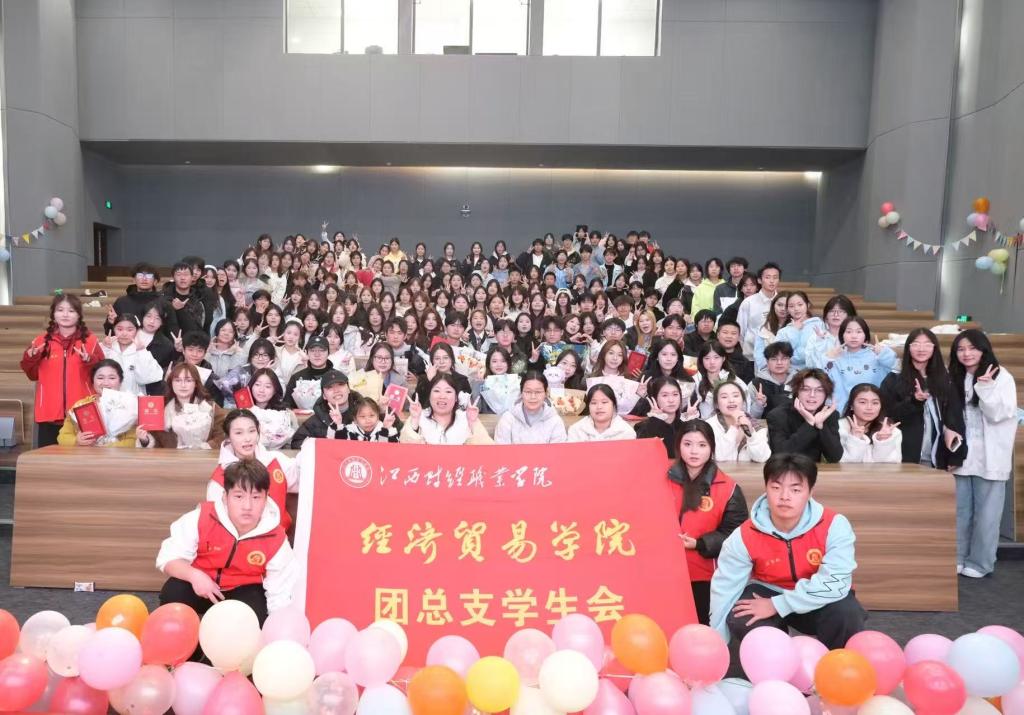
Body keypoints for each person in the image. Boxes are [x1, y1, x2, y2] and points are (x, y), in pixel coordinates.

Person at [710, 453, 865, 649]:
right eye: (776, 488)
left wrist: (779, 604)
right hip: (769, 592)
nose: (784, 496)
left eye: (795, 489)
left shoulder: (835, 525)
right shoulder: (743, 535)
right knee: (741, 614)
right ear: (766, 488)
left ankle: (836, 661)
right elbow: (724, 588)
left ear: (810, 492)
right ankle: (778, 658)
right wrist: (716, 643)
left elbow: (834, 583)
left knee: (847, 612)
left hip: (817, 599)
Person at [156, 459, 297, 625]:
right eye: (238, 496)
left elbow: (280, 593)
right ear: (225, 497)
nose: (247, 506)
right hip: (201, 585)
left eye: (256, 497)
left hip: (244, 591)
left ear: (266, 499)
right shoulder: (200, 518)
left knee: (257, 619)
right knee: (173, 592)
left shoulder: (276, 538)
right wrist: (195, 576)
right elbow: (168, 559)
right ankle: (187, 639)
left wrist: (277, 629)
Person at [949, 329, 1017, 578]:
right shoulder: (954, 376)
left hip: (991, 456)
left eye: (972, 348)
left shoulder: (1001, 376)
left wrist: (985, 387)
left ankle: (980, 562)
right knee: (959, 512)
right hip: (961, 455)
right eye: (960, 349)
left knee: (987, 515)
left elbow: (999, 414)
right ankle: (956, 556)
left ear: (983, 349)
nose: (966, 354)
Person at [668, 421, 748, 624]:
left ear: (711, 447)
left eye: (702, 445)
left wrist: (700, 544)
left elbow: (736, 536)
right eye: (687, 444)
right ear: (678, 445)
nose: (694, 451)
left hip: (706, 576)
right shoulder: (661, 480)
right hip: (664, 572)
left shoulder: (728, 488)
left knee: (701, 629)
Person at [21, 293, 105, 447]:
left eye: (71, 311)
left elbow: (102, 375)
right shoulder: (40, 341)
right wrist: (31, 358)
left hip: (83, 412)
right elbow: (32, 375)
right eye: (60, 310)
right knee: (49, 458)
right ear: (53, 314)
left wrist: (89, 360)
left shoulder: (91, 341)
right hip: (49, 411)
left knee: (81, 458)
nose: (65, 314)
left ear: (79, 315)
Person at [880, 328, 965, 467]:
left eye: (927, 344)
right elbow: (888, 414)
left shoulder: (945, 379)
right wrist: (914, 401)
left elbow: (955, 417)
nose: (921, 349)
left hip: (936, 456)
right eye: (916, 344)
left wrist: (955, 456)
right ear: (908, 348)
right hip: (902, 456)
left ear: (934, 348)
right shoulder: (894, 378)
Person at [206, 409, 299, 532]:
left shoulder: (275, 461)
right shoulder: (219, 480)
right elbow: (218, 524)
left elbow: (305, 479)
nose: (247, 438)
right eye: (239, 433)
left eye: (252, 431)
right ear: (228, 437)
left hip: (281, 537)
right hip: (242, 540)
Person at [820, 317, 896, 412]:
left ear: (866, 335)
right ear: (842, 335)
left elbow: (893, 366)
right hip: (843, 410)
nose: (854, 336)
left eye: (859, 332)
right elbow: (823, 380)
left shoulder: (877, 356)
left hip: (873, 410)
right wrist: (828, 359)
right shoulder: (836, 358)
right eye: (849, 332)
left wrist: (883, 353)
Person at [766, 368, 843, 463]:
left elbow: (835, 457)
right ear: (796, 392)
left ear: (826, 394)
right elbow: (781, 455)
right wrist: (809, 424)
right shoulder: (778, 415)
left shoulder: (830, 415)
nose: (812, 395)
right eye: (806, 389)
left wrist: (820, 425)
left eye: (819, 390)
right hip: (786, 469)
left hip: (817, 469)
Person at [57, 360, 137, 447]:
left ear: (120, 381)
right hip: (86, 455)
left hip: (117, 455)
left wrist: (106, 448)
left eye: (112, 378)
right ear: (93, 381)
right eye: (100, 378)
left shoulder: (129, 404)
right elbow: (62, 437)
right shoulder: (81, 405)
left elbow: (134, 441)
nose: (106, 383)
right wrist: (77, 441)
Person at [137, 363, 216, 449]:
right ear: (171, 383)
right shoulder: (161, 409)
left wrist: (204, 448)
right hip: (169, 457)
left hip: (203, 456)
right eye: (177, 380)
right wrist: (145, 440)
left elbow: (221, 437)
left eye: (188, 381)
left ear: (196, 383)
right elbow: (156, 444)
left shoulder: (210, 408)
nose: (183, 385)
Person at [400, 374, 493, 445]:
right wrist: (415, 421)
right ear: (429, 396)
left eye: (448, 391)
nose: (442, 396)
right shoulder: (419, 416)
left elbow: (487, 450)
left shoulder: (466, 417)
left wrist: (472, 423)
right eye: (436, 391)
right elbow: (405, 450)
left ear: (456, 397)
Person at [493, 371, 568, 444]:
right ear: (521, 393)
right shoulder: (508, 419)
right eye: (528, 392)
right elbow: (501, 450)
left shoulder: (555, 421)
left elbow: (558, 451)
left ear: (546, 393)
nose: (533, 397)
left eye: (538, 392)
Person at [289, 370, 359, 448]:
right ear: (324, 396)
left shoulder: (364, 413)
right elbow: (296, 442)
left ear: (348, 389)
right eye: (330, 387)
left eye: (340, 384)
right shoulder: (317, 420)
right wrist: (324, 446)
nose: (336, 390)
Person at [100, 313, 165, 395]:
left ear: (137, 331)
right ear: (113, 329)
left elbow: (145, 378)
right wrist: (105, 348)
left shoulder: (141, 350)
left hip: (134, 398)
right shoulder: (105, 347)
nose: (124, 333)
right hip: (108, 397)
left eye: (129, 330)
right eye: (119, 329)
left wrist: (141, 352)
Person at [707, 381, 770, 462]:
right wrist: (734, 428)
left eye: (736, 396)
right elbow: (719, 458)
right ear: (716, 404)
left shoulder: (758, 426)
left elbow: (762, 458)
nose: (731, 400)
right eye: (724, 397)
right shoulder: (708, 425)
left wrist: (751, 434)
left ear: (743, 401)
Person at [838, 384, 902, 463]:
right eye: (863, 402)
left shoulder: (892, 431)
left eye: (875, 403)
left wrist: (883, 441)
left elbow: (892, 464)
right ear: (851, 405)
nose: (869, 407)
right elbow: (842, 463)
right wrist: (855, 439)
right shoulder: (839, 428)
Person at [633, 377, 690, 457]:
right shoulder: (645, 427)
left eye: (675, 394)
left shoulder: (686, 426)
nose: (671, 400)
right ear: (655, 398)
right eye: (664, 395)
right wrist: (655, 421)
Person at [247, 367, 299, 450]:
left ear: (275, 390)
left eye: (267, 386)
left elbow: (293, 443)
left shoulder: (287, 414)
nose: (261, 390)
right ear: (251, 387)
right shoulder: (243, 412)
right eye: (257, 385)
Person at [738, 263, 781, 359]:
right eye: (767, 277)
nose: (772, 281)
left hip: (778, 356)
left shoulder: (783, 302)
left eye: (775, 277)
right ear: (759, 280)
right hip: (751, 356)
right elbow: (741, 331)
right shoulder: (748, 302)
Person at [567, 384, 637, 442]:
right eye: (594, 403)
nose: (599, 407)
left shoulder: (626, 432)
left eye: (604, 402)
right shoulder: (576, 430)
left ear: (613, 405)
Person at [773, 292, 824, 369]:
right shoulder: (783, 331)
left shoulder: (819, 325)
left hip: (816, 371)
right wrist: (794, 331)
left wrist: (794, 355)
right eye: (791, 306)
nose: (796, 309)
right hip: (790, 373)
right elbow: (780, 354)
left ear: (807, 305)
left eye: (800, 305)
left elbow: (824, 351)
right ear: (787, 309)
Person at [284, 335, 334, 410]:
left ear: (328, 353)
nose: (317, 354)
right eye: (312, 350)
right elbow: (287, 405)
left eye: (321, 350)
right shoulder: (297, 377)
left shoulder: (337, 377)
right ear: (307, 353)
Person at [749, 341, 796, 419]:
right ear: (767, 362)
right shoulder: (755, 384)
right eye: (774, 359)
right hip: (764, 425)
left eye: (784, 359)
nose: (779, 363)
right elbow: (749, 416)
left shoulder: (800, 381)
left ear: (790, 361)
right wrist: (758, 405)